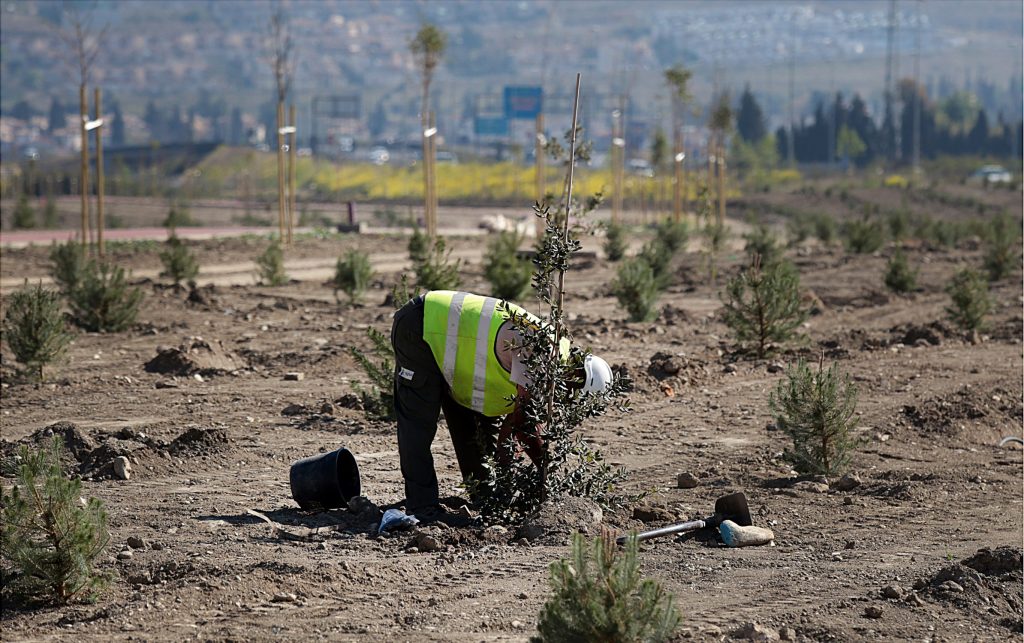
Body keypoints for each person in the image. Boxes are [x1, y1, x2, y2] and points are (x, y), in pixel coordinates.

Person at [390, 290, 613, 517]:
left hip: (457, 352)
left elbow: (520, 423)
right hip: (422, 325)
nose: (565, 400)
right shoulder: (544, 353)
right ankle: (422, 505)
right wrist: (545, 473)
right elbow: (522, 423)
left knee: (477, 429)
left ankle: (486, 496)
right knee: (418, 421)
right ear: (575, 376)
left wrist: (522, 480)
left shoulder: (557, 358)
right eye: (571, 395)